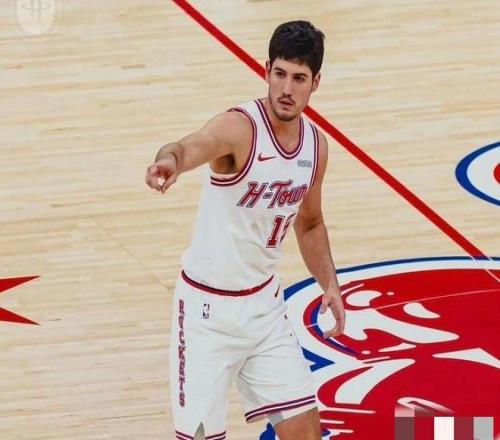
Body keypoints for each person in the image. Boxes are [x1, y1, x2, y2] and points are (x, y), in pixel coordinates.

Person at [145, 20, 345, 440]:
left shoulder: (315, 147)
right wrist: (170, 161)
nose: (286, 88)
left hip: (264, 311)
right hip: (207, 314)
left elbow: (310, 223)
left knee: (305, 433)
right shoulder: (241, 128)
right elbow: (192, 144)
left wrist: (329, 281)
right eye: (279, 74)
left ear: (316, 83)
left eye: (299, 78)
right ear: (266, 69)